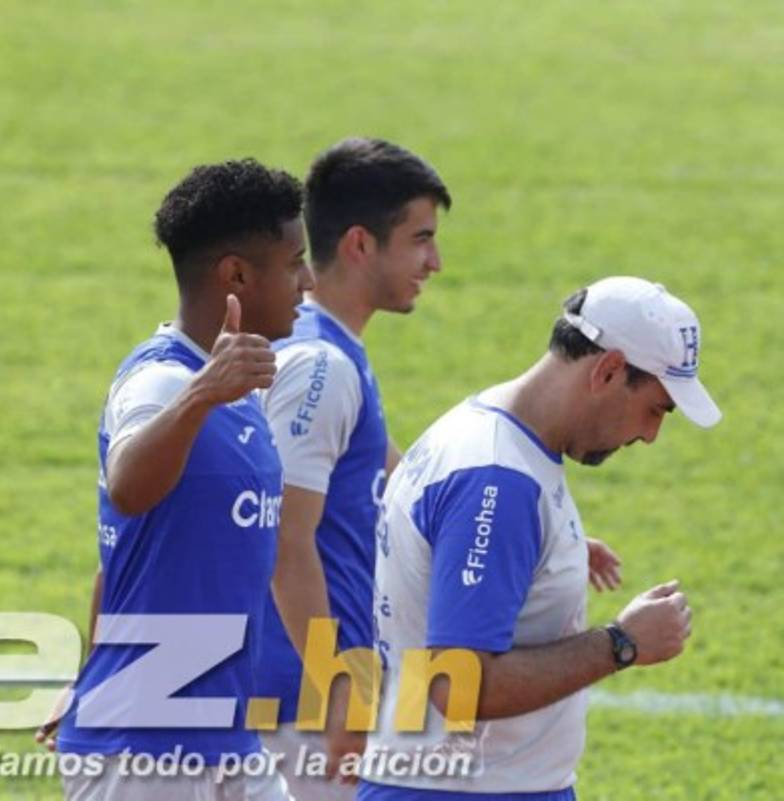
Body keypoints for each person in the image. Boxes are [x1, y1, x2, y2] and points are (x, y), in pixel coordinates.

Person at [358, 276, 719, 800]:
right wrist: (622, 643)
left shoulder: (491, 429)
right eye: (656, 409)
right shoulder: (497, 479)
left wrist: (546, 553)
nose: (650, 435)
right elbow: (459, 684)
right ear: (609, 370)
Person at [52, 158, 315, 801]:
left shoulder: (235, 387)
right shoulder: (162, 381)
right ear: (236, 275)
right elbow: (127, 488)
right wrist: (201, 395)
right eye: (295, 263)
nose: (308, 282)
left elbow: (125, 555)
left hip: (225, 741)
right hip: (144, 754)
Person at [254, 138, 451, 801]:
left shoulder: (330, 348)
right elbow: (284, 539)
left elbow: (394, 475)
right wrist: (337, 691)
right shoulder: (321, 367)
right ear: (361, 244)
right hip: (299, 705)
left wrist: (537, 531)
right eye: (421, 239)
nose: (435, 262)